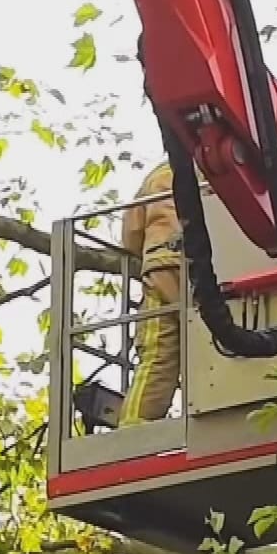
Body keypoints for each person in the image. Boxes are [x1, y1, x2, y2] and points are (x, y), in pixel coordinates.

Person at [118, 160, 183, 425]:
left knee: (158, 351)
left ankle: (135, 425)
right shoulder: (217, 167)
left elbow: (131, 234)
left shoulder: (158, 175)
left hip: (163, 264)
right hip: (208, 266)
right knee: (208, 349)